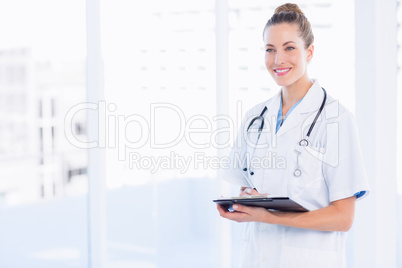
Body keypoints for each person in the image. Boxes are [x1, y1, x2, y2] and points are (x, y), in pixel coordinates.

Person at [216, 3, 370, 268]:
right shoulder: (255, 117)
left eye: (289, 48)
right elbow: (245, 184)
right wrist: (246, 201)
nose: (278, 60)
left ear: (309, 52)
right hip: (256, 258)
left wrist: (267, 216)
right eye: (270, 50)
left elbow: (343, 218)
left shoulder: (337, 119)